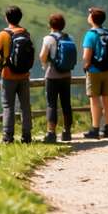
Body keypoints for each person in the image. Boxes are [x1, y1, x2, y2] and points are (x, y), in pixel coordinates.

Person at [0, 5, 35, 144]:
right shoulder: (25, 33)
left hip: (8, 75)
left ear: (6, 18)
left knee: (8, 106)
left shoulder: (3, 35)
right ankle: (26, 136)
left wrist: (3, 60)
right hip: (24, 75)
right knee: (25, 106)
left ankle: (7, 137)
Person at [81, 7, 108, 139]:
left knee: (95, 99)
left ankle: (95, 128)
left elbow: (86, 56)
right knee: (107, 99)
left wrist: (86, 66)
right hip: (107, 70)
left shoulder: (90, 34)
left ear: (92, 18)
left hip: (94, 71)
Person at [38, 13, 75, 143]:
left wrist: (45, 63)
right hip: (66, 74)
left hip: (52, 75)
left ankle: (51, 133)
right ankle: (67, 132)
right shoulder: (69, 37)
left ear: (50, 25)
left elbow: (42, 56)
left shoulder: (48, 39)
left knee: (51, 104)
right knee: (66, 103)